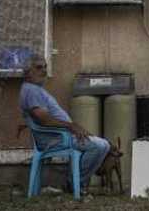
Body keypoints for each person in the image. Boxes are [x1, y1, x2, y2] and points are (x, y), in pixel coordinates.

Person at [19, 55, 110, 193]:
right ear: (28, 72)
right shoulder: (31, 90)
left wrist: (74, 128)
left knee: (99, 143)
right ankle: (75, 183)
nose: (44, 71)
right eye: (38, 67)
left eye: (45, 67)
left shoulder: (33, 89)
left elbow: (38, 117)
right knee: (100, 146)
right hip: (57, 138)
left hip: (61, 135)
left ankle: (75, 182)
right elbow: (43, 119)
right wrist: (71, 126)